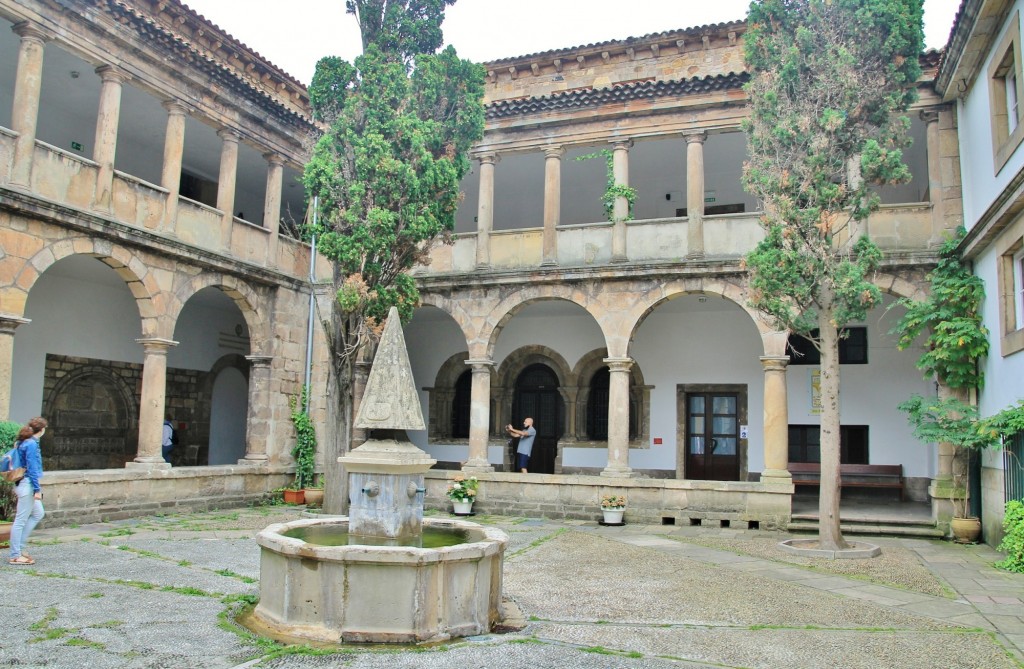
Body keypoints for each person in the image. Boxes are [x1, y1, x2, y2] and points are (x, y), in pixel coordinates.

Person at [9, 416, 47, 566]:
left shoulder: (24, 441)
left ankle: (20, 548)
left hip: (23, 483)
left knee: (38, 513)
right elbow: (31, 468)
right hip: (27, 484)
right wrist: (37, 490)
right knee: (20, 520)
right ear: (42, 430)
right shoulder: (31, 444)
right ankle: (15, 555)